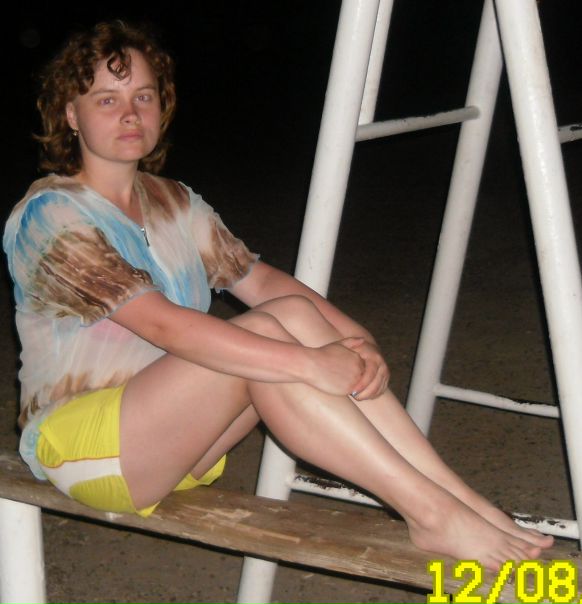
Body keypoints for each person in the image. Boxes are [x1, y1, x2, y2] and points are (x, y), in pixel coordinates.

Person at [4, 20, 553, 571]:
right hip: (84, 450)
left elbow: (259, 280)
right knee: (269, 336)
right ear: (70, 115)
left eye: (143, 96)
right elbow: (164, 326)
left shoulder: (172, 201)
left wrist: (356, 339)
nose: (130, 113)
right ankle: (431, 513)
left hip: (178, 443)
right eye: (107, 99)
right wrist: (311, 362)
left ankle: (459, 501)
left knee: (288, 313)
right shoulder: (50, 215)